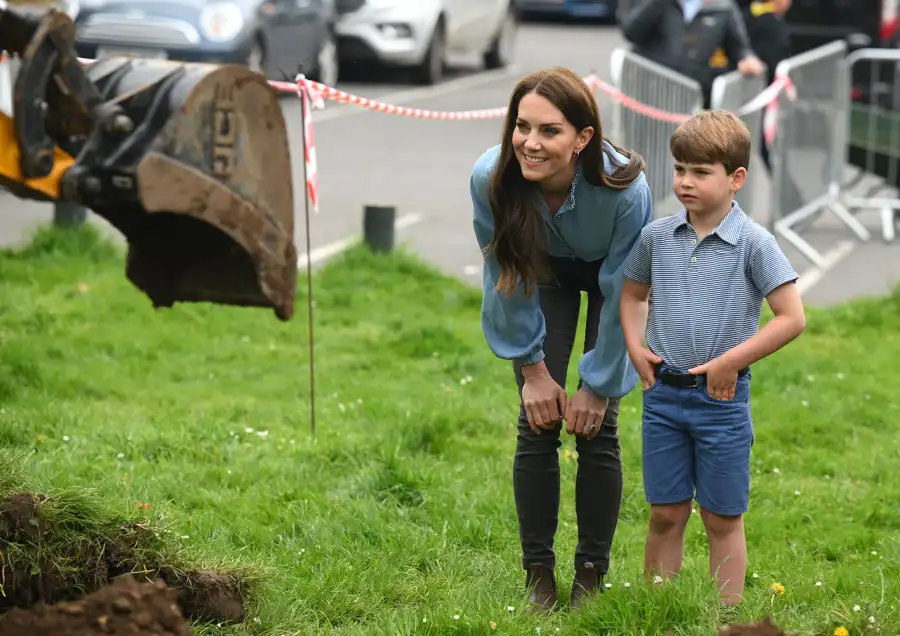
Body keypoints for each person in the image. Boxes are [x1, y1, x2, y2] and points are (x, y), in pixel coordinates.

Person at [469, 66, 653, 612]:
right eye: (521, 126)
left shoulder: (625, 189)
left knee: (599, 426)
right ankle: (539, 578)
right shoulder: (491, 178)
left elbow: (628, 290)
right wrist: (532, 371)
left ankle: (591, 578)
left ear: (583, 138)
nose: (530, 142)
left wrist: (597, 385)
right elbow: (504, 274)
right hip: (540, 272)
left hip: (610, 279)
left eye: (549, 131)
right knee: (538, 418)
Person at [619, 110, 806, 605]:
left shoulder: (754, 244)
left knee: (721, 516)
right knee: (665, 513)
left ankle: (728, 617)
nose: (684, 181)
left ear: (736, 178)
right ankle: (660, 607)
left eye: (700, 172)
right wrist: (636, 348)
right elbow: (633, 295)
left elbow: (791, 317)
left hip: (722, 403)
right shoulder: (656, 237)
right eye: (680, 169)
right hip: (663, 399)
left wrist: (730, 361)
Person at [620, 0, 765, 108]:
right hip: (649, 95)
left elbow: (739, 46)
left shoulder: (722, 6)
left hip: (694, 99)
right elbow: (631, 31)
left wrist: (747, 58)